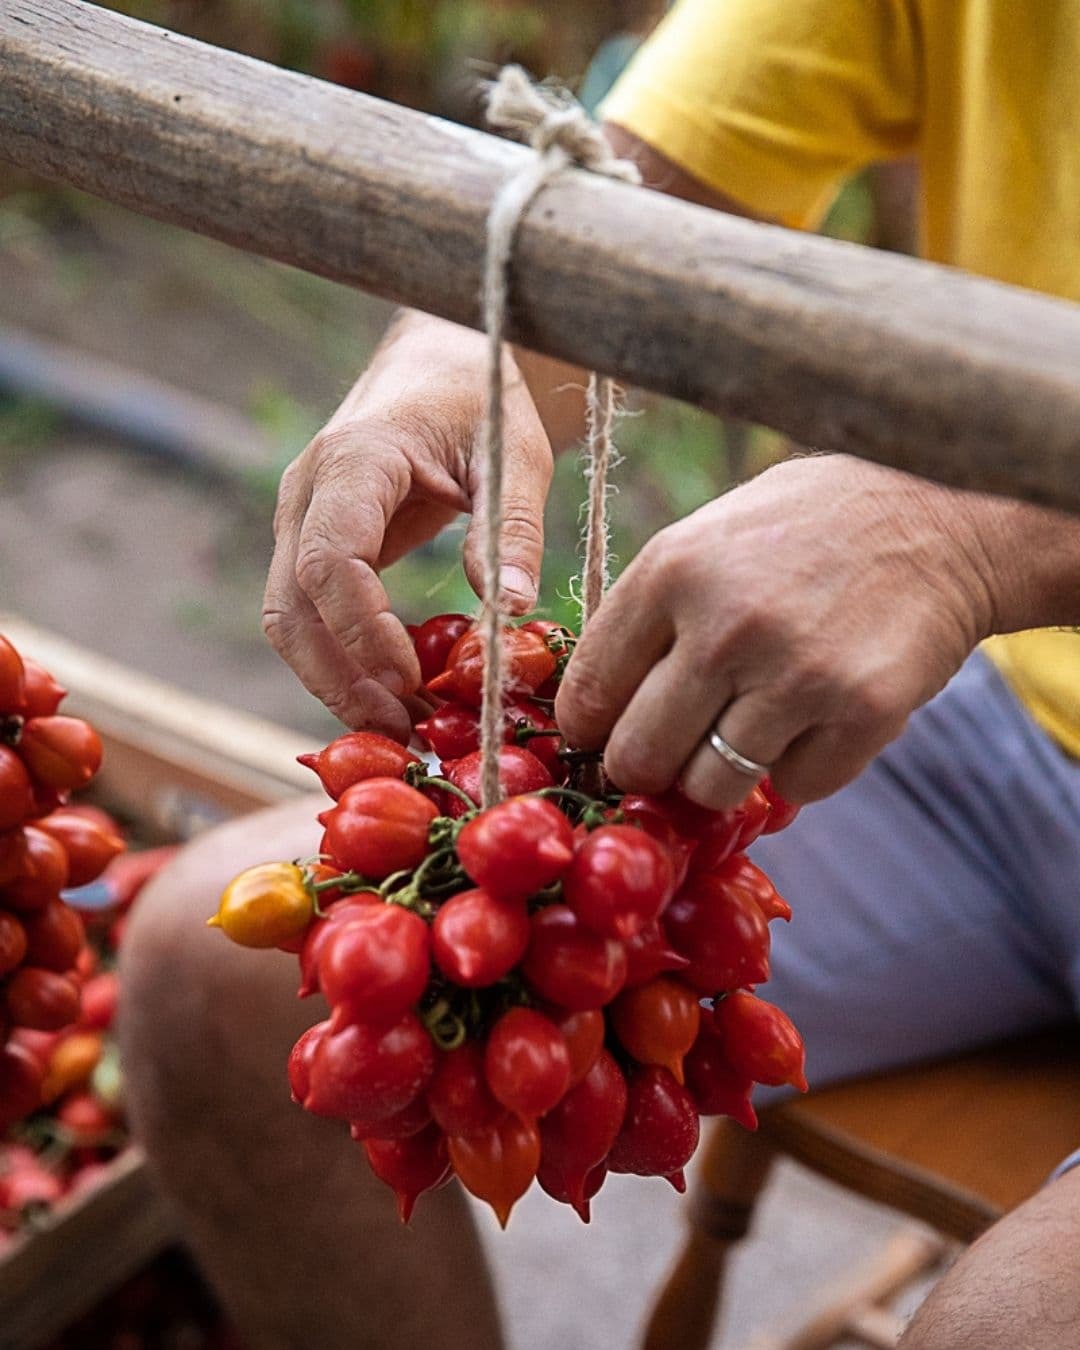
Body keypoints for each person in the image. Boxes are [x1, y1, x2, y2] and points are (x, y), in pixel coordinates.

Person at [120, 2, 1080, 1346]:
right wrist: (450, 365)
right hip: (1018, 736)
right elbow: (620, 186)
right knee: (197, 975)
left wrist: (981, 530)